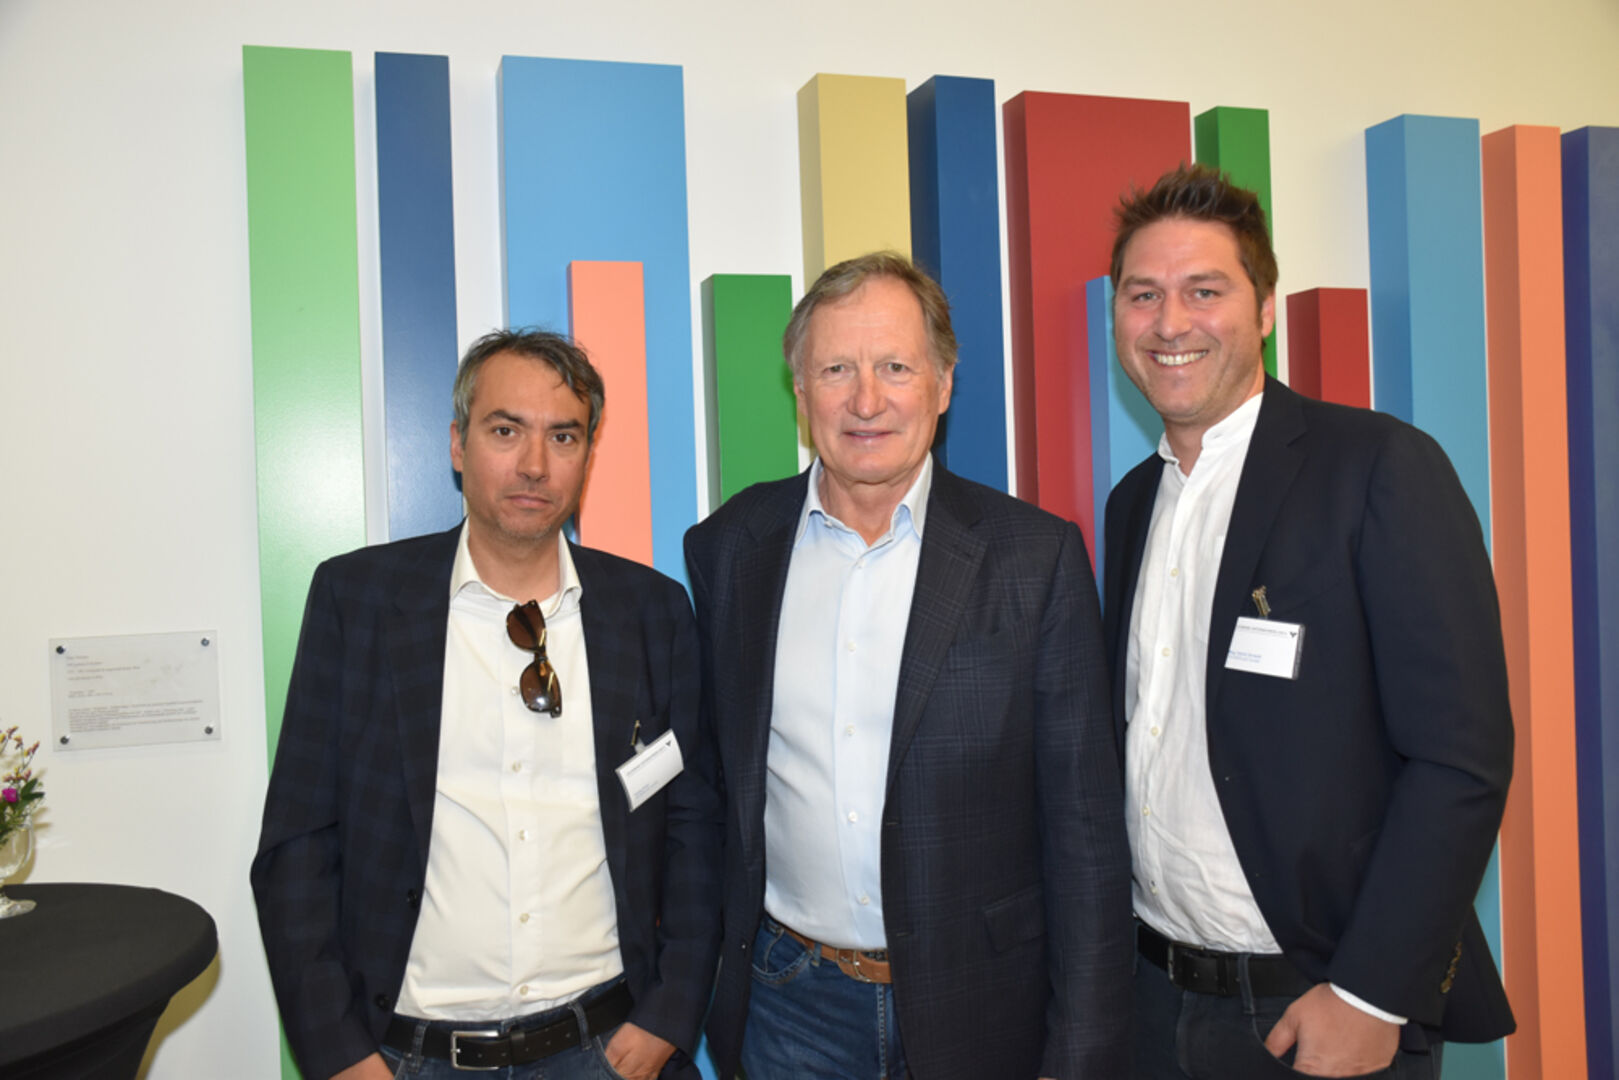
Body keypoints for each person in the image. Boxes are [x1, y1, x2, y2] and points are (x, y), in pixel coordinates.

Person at [1101, 164, 1515, 1078]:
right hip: (1151, 995)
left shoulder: (1376, 467)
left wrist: (1371, 994)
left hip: (1315, 1005)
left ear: (1263, 310)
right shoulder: (1132, 504)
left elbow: (1461, 758)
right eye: (1142, 294)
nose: (1169, 323)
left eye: (1203, 290)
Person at [685, 252, 1131, 1080]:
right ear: (799, 389)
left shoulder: (1034, 558)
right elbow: (712, 789)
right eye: (836, 370)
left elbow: (1087, 833)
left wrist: (1082, 1050)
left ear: (943, 384)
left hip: (986, 1002)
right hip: (790, 1003)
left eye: (895, 367)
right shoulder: (730, 550)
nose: (866, 400)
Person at [252, 330, 722, 1080]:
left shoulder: (651, 612)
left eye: (562, 436)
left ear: (587, 454)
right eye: (506, 431)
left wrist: (668, 1015)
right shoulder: (358, 601)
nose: (534, 464)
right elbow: (297, 847)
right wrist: (339, 1055)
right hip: (410, 1057)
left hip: (608, 1050)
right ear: (457, 444)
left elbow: (695, 826)